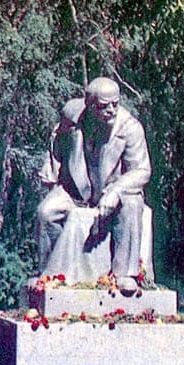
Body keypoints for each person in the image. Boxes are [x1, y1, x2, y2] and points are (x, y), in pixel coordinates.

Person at [37, 77, 152, 296]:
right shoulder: (72, 115)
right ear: (89, 105)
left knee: (132, 202)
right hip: (77, 190)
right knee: (45, 212)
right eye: (103, 106)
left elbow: (142, 170)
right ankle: (49, 273)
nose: (111, 110)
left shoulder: (130, 129)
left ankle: (124, 274)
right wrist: (50, 168)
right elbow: (57, 140)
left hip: (115, 190)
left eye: (115, 104)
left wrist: (116, 191)